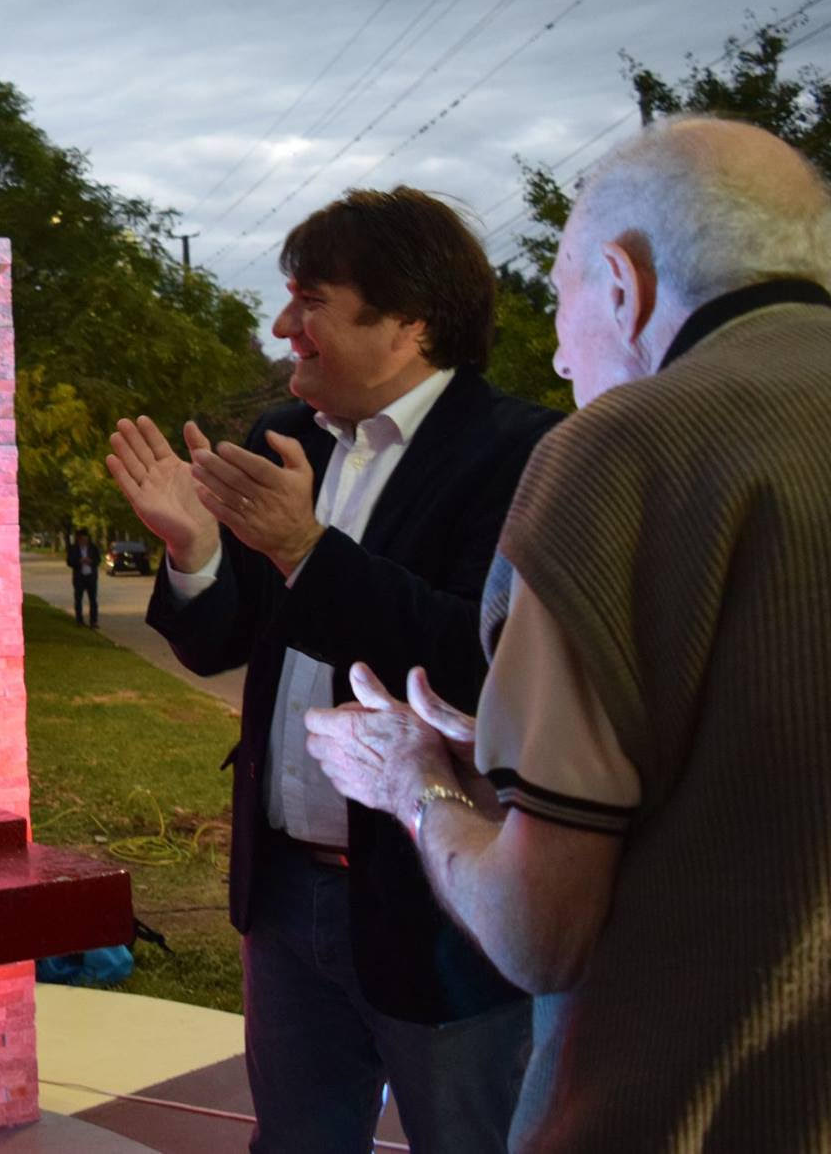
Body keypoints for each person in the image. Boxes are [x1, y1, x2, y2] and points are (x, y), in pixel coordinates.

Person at [307, 118, 831, 1151]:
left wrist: (416, 782)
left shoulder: (621, 453)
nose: (553, 348)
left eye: (558, 300)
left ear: (621, 283)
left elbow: (537, 930)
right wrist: (518, 759)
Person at [105, 187, 560, 1152]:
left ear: (409, 320)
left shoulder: (522, 454)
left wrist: (309, 549)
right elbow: (222, 643)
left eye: (310, 299)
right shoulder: (293, 438)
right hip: (284, 898)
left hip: (441, 911)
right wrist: (193, 553)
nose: (283, 327)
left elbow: (483, 669)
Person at [66, 527, 99, 626]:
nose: (84, 541)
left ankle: (93, 621)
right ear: (78, 539)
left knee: (93, 600)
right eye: (81, 539)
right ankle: (79, 620)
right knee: (78, 599)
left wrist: (91, 561)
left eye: (85, 539)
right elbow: (69, 561)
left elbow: (98, 560)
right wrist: (79, 561)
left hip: (91, 577)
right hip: (79, 577)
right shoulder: (73, 548)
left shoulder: (93, 548)